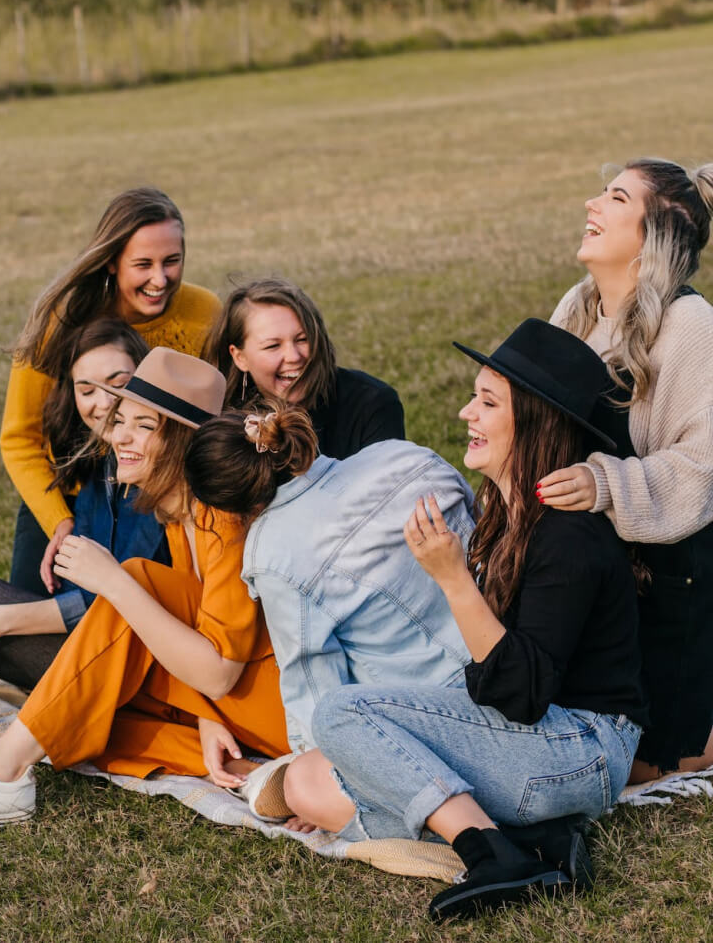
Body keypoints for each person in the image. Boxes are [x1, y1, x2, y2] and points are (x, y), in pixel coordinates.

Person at [260, 321, 647, 922]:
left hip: (581, 750)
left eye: (487, 402)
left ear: (536, 422)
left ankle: (489, 852)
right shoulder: (504, 512)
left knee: (339, 717)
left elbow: (520, 694)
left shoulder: (568, 536)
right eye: (473, 396)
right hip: (532, 742)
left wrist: (452, 578)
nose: (466, 412)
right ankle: (531, 839)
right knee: (309, 778)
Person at [0, 349, 288, 832]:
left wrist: (113, 581)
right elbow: (197, 633)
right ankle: (249, 774)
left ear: (184, 442)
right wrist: (207, 719)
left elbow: (219, 674)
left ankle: (1, 772)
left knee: (136, 582)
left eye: (143, 426)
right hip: (228, 703)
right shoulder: (178, 514)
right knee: (85, 715)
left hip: (279, 703)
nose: (119, 436)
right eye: (120, 420)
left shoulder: (224, 518)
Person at [538, 158, 713, 779]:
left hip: (667, 575)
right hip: (584, 558)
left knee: (645, 763)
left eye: (615, 198)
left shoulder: (692, 326)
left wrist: (604, 483)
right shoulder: (578, 306)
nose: (592, 204)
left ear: (656, 232)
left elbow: (701, 467)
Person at [183, 401, 475, 759]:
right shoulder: (401, 454)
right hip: (508, 649)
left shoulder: (273, 553)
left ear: (230, 508)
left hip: (437, 714)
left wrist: (311, 767)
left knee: (299, 780)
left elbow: (316, 691)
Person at [1, 187, 220, 595]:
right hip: (69, 493)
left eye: (172, 261)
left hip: (158, 495)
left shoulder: (205, 312)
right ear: (111, 262)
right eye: (143, 264)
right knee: (23, 611)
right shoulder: (61, 321)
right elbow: (19, 440)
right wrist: (59, 521)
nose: (160, 279)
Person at [0, 318, 170, 690]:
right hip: (95, 642)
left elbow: (117, 599)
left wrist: (0, 621)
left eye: (118, 384)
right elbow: (77, 587)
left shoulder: (157, 474)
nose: (104, 403)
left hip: (142, 666)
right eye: (87, 390)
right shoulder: (101, 466)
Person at [203, 278, 405, 459]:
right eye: (273, 346)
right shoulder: (220, 422)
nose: (294, 356)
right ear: (240, 358)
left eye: (303, 339)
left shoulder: (371, 404)